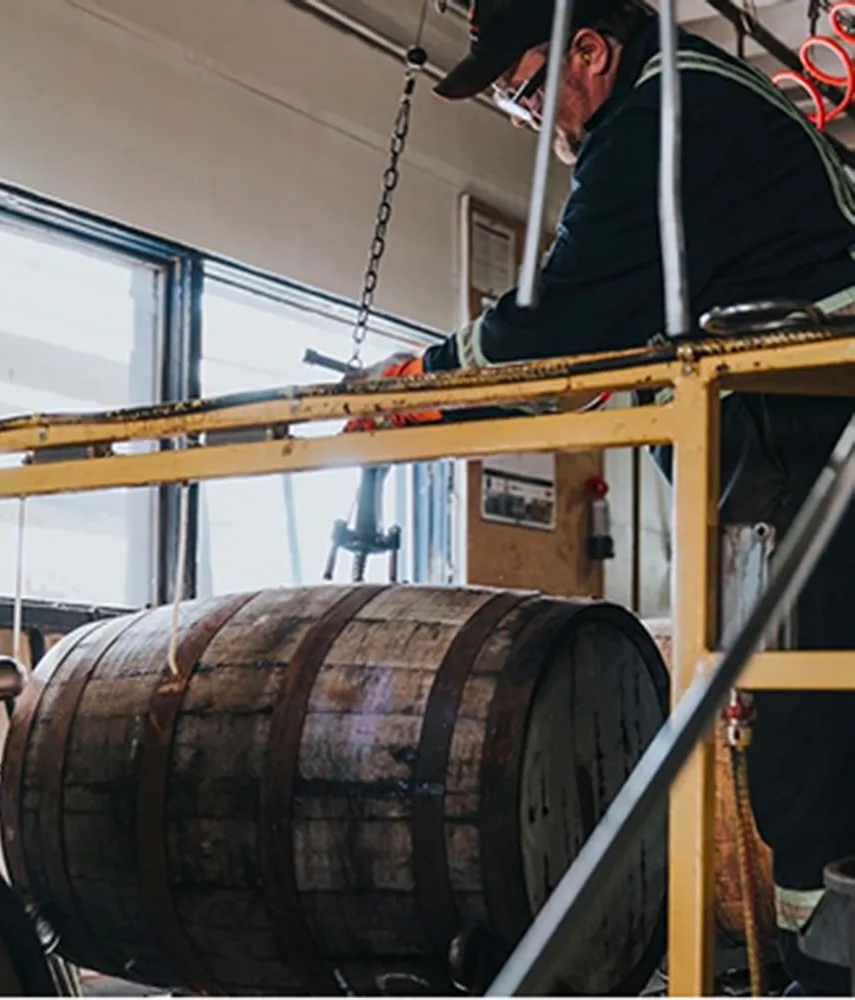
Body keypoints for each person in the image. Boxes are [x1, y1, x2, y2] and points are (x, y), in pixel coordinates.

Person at [345, 0, 855, 993]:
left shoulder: (658, 120)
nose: (533, 122)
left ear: (590, 49)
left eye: (530, 91)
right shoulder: (693, 93)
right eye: (511, 107)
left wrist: (423, 383)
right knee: (811, 727)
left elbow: (561, 321)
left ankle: (825, 970)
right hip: (803, 445)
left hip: (817, 442)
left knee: (808, 748)